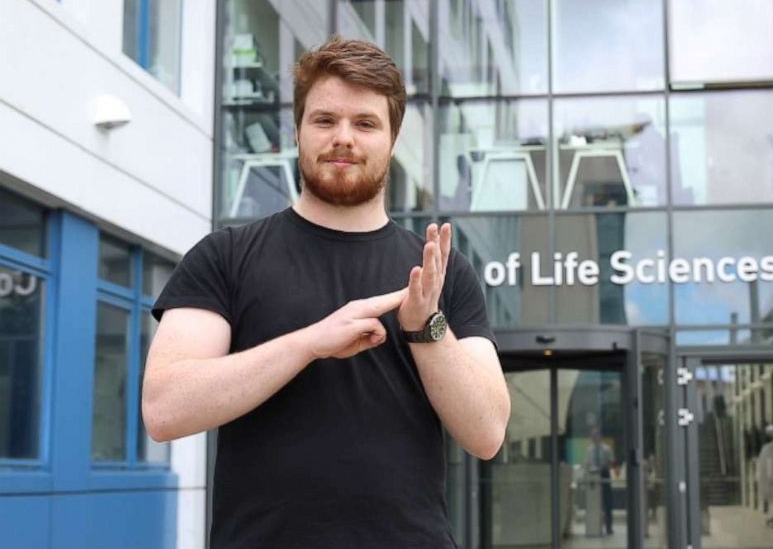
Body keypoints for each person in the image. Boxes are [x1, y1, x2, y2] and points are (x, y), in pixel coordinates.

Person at [141, 36, 511, 548]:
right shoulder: (225, 256)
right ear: (297, 131)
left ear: (393, 138)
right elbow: (164, 410)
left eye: (365, 123)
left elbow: (487, 433)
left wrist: (427, 328)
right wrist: (310, 342)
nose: (344, 138)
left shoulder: (441, 272)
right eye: (324, 120)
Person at [585, 428, 615, 535]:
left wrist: (604, 468)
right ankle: (596, 527)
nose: (594, 438)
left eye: (595, 436)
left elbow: (610, 461)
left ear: (599, 437)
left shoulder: (607, 448)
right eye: (592, 436)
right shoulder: (589, 450)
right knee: (595, 502)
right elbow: (588, 463)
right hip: (593, 476)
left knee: (607, 503)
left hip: (604, 475)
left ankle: (609, 527)